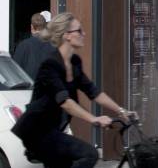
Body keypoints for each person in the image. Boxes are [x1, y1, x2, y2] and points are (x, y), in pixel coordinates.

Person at [12, 13, 129, 168]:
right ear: (67, 35)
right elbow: (65, 102)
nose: (84, 34)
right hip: (37, 132)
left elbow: (93, 92)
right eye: (79, 31)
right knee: (89, 154)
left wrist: (121, 111)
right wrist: (94, 119)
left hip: (52, 130)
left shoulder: (74, 62)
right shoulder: (50, 65)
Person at [13, 12, 56, 79]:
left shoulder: (23, 45)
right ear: (45, 27)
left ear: (32, 27)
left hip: (28, 88)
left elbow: (15, 72)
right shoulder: (54, 46)